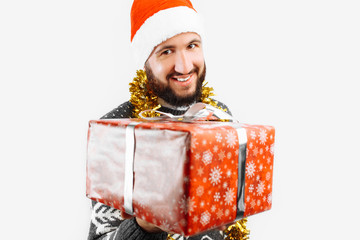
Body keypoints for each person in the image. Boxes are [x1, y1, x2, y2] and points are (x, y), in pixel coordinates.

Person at [87, 0, 232, 239]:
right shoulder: (114, 130)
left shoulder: (221, 118)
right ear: (145, 61)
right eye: (167, 51)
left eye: (191, 46)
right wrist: (143, 226)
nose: (184, 66)